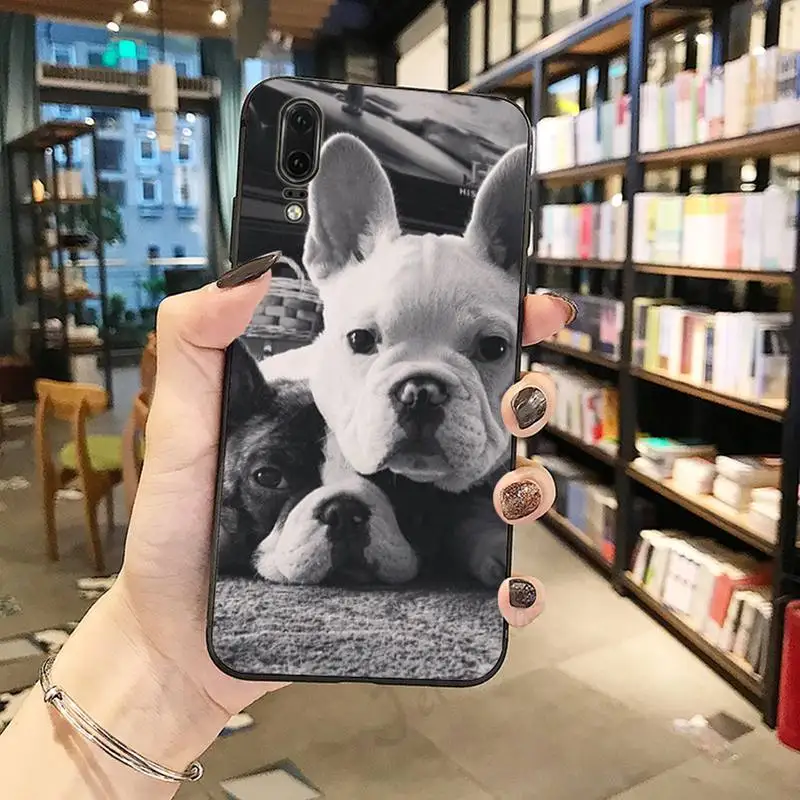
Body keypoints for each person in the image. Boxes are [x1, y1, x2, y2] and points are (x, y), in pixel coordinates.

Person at [0, 258, 572, 798]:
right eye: (273, 477)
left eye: (390, 483)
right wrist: (151, 650)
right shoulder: (256, 410)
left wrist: (477, 526)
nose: (343, 514)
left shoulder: (406, 412)